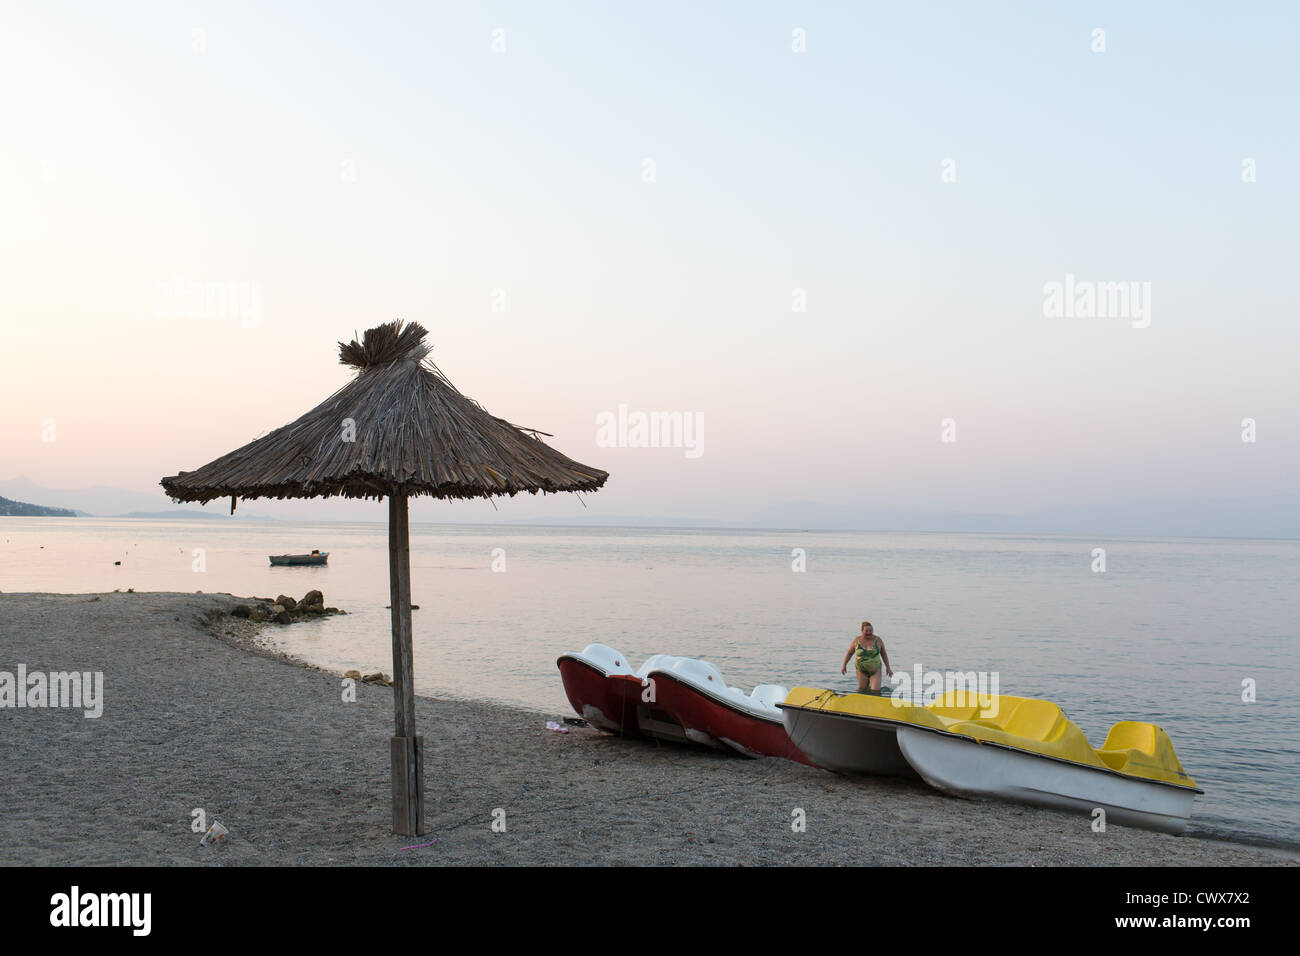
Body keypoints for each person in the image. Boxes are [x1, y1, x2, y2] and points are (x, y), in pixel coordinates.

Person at [841, 620, 892, 694]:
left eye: (870, 630)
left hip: (875, 670)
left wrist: (888, 668)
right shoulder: (856, 640)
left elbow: (884, 654)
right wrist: (844, 665)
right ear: (862, 631)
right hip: (861, 669)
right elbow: (849, 653)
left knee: (875, 691)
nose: (868, 632)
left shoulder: (878, 640)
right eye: (866, 631)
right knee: (862, 690)